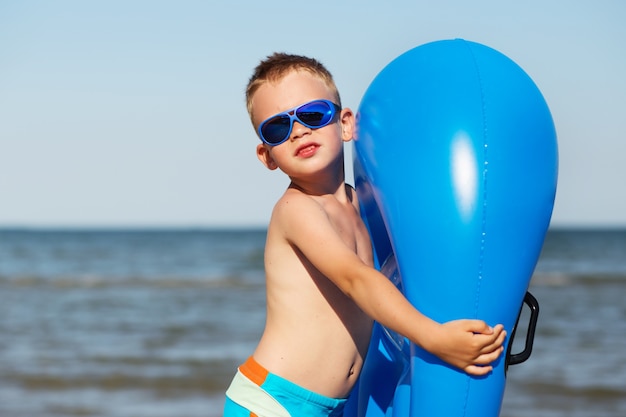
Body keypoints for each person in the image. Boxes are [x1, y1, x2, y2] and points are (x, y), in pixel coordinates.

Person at [223, 52, 506, 417]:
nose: (298, 130)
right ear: (268, 156)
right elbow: (356, 279)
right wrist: (433, 337)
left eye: (312, 114)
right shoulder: (297, 210)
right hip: (274, 402)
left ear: (344, 123)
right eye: (278, 127)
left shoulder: (361, 204)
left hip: (330, 406)